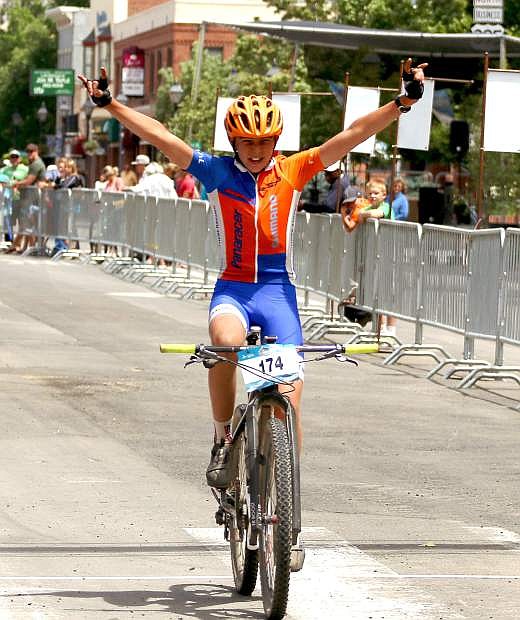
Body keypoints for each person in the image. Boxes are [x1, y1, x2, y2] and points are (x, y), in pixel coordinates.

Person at [79, 61, 426, 496]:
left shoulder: (294, 170)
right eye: (247, 142)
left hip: (278, 292)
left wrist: (402, 103)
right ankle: (222, 438)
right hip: (235, 289)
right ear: (234, 142)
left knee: (289, 400)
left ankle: (288, 507)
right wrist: (110, 103)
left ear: (276, 141)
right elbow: (161, 136)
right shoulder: (216, 173)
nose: (257, 150)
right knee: (224, 343)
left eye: (264, 142)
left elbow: (352, 134)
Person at [11, 143, 46, 253]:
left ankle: (31, 247)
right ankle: (25, 247)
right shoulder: (34, 163)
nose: (29, 154)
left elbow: (29, 181)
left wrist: (16, 184)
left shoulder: (36, 164)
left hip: (34, 197)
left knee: (28, 223)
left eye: (32, 151)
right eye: (28, 151)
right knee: (27, 223)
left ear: (37, 151)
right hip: (32, 197)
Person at [1, 150, 28, 247]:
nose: (14, 159)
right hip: (8, 200)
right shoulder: (4, 170)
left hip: (21, 199)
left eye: (16, 156)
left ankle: (19, 244)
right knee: (8, 221)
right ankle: (9, 243)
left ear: (19, 158)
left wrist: (16, 183)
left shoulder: (25, 169)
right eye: (12, 157)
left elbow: (28, 179)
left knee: (22, 222)